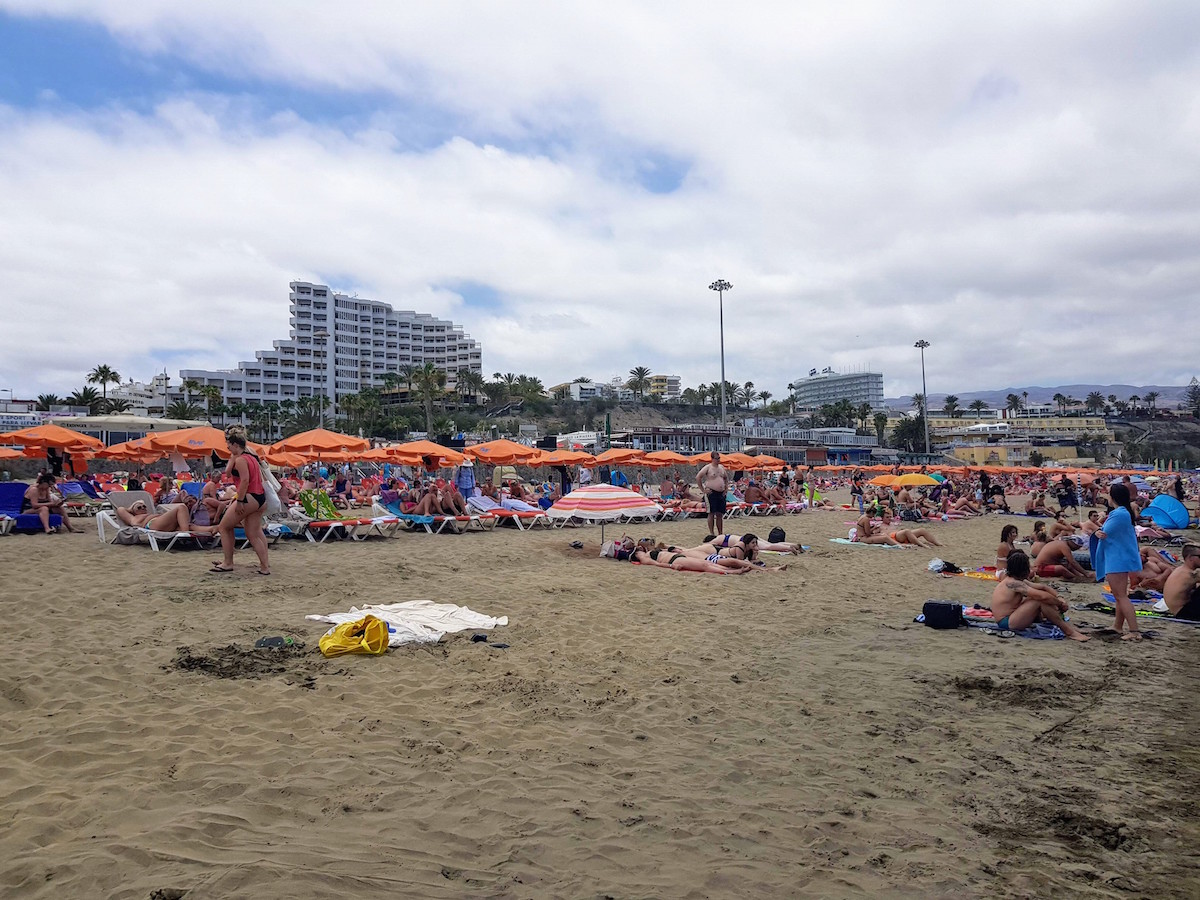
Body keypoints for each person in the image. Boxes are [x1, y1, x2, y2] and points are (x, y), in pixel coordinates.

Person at [991, 550, 1089, 641]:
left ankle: (1067, 627)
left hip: (1011, 617)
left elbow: (1042, 587)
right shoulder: (1013, 584)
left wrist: (1059, 597)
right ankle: (1069, 632)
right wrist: (1059, 604)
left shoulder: (1016, 581)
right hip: (1006, 622)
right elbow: (1042, 597)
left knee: (1038, 598)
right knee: (1038, 601)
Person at [211, 425, 271, 576]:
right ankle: (265, 566)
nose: (228, 448)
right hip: (259, 497)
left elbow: (244, 481)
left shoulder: (241, 460)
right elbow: (229, 471)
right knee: (254, 533)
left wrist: (240, 501)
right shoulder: (251, 456)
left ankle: (228, 562)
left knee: (224, 527)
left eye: (229, 445)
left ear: (235, 445)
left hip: (249, 497)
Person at [1093, 483, 1144, 641]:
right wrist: (1097, 531)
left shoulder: (1120, 514)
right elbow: (1104, 531)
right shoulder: (1123, 513)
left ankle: (1134, 631)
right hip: (1118, 557)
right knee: (1119, 595)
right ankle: (1118, 625)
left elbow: (1105, 532)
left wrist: (1097, 532)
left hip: (1117, 559)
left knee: (1121, 596)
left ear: (1113, 497)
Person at [1162, 543, 1200, 620]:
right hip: (1184, 613)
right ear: (1190, 558)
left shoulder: (1180, 569)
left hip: (1179, 610)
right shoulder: (1188, 574)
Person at [696, 450, 729, 536]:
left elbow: (725, 478)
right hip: (711, 492)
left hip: (721, 493)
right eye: (717, 458)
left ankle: (720, 532)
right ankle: (711, 532)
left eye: (719, 458)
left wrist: (726, 489)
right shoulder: (708, 467)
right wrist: (703, 490)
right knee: (711, 513)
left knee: (720, 514)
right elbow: (698, 477)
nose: (718, 460)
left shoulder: (721, 468)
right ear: (712, 459)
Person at [117, 498, 195, 533]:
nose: (142, 508)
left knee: (191, 527)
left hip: (163, 523)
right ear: (133, 510)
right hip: (152, 524)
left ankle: (207, 531)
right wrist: (131, 509)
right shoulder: (133, 518)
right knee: (182, 507)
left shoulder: (149, 514)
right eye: (139, 507)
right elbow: (120, 509)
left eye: (144, 506)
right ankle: (185, 533)